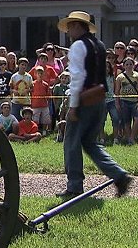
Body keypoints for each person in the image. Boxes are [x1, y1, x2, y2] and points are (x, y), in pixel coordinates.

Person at [55, 11, 132, 198]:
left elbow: (77, 77)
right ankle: (118, 174)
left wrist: (73, 106)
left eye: (71, 26)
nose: (68, 31)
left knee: (72, 143)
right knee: (90, 143)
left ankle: (74, 186)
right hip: (100, 99)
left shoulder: (78, 46)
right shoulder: (99, 45)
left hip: (83, 100)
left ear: (78, 26)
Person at [115, 57, 138, 145]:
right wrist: (117, 103)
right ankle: (129, 138)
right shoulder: (119, 77)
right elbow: (117, 91)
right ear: (123, 66)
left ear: (134, 65)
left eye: (130, 64)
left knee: (137, 119)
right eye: (127, 64)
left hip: (135, 102)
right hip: (124, 101)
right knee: (126, 121)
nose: (129, 66)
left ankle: (132, 137)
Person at [31, 65, 52, 135]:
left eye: (41, 73)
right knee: (35, 119)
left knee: (45, 119)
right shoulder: (32, 84)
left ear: (43, 74)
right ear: (35, 74)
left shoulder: (45, 84)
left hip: (44, 105)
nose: (40, 75)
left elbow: (48, 94)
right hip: (35, 105)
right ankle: (35, 131)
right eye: (38, 73)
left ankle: (44, 132)